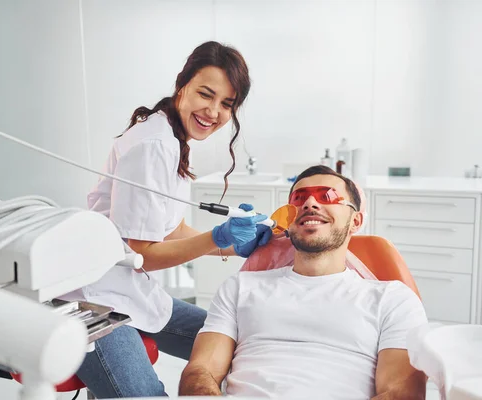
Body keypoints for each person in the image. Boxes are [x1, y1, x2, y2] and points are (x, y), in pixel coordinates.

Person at [69, 41, 273, 398]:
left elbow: (171, 228)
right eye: (205, 94)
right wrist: (218, 237)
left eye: (227, 104)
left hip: (129, 292)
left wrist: (231, 248)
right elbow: (144, 251)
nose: (213, 111)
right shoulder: (154, 145)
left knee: (240, 342)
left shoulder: (173, 139)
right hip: (96, 303)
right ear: (183, 86)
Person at [179, 165, 429, 399]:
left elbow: (400, 393)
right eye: (299, 198)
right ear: (288, 219)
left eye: (327, 196)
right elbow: (200, 372)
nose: (310, 203)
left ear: (356, 222)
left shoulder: (393, 300)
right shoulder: (240, 287)